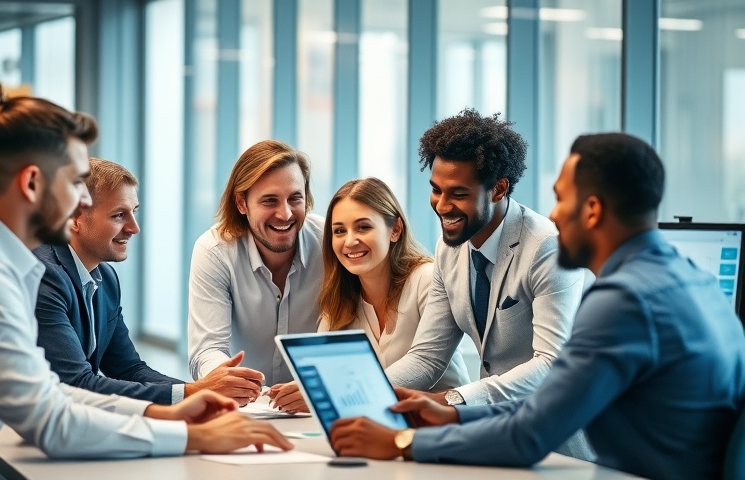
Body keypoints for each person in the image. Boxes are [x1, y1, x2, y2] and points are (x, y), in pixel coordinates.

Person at [328, 133, 745, 480]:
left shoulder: (623, 302)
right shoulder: (691, 279)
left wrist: (404, 442)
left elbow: (533, 432)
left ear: (593, 210)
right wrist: (453, 415)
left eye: (561, 199)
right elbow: (550, 406)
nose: (553, 214)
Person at [0, 76, 291, 479]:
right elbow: (51, 422)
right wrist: (190, 436)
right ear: (33, 183)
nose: (84, 201)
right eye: (77, 183)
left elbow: (51, 390)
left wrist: (167, 411)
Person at [385, 110, 585, 403]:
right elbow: (428, 356)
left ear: (498, 189)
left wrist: (453, 398)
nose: (442, 206)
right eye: (436, 190)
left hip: (555, 430)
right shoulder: (448, 248)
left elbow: (550, 363)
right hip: (495, 430)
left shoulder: (547, 247)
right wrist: (357, 390)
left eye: (458, 194)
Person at [34, 158, 263, 406]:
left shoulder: (106, 279)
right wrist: (195, 393)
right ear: (75, 219)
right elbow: (77, 384)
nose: (134, 228)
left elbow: (129, 368)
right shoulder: (44, 277)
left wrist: (199, 390)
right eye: (119, 215)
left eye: (134, 212)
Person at [268, 178, 470, 412]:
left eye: (363, 227)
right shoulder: (338, 300)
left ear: (395, 230)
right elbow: (322, 375)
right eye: (339, 231)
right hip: (381, 429)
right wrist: (300, 390)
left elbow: (425, 365)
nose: (350, 241)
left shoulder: (427, 279)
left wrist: (331, 393)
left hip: (448, 427)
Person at [187, 140, 324, 386]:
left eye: (295, 198)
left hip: (315, 400)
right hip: (245, 404)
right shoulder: (214, 251)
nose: (285, 214)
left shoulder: (329, 242)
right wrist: (233, 382)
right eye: (269, 201)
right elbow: (206, 350)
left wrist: (318, 386)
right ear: (241, 203)